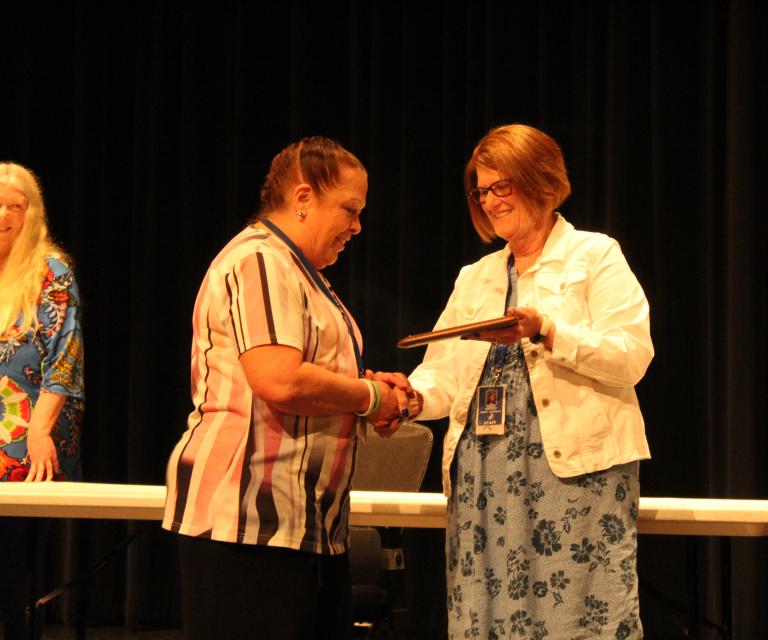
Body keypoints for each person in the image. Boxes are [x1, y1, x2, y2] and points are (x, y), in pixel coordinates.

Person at [403, 124, 654, 638]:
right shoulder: (476, 276)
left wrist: (547, 330)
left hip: (573, 476)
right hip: (484, 477)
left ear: (539, 179)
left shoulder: (594, 255)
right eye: (482, 189)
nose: (490, 201)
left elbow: (632, 356)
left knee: (578, 620)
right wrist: (408, 399)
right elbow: (443, 374)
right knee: (485, 618)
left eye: (502, 186)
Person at [162, 136, 409, 640]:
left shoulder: (302, 272)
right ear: (302, 199)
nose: (357, 226)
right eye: (349, 209)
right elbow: (278, 378)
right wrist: (370, 397)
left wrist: (363, 388)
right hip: (248, 526)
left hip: (302, 527)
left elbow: (305, 372)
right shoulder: (262, 260)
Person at [0, 163, 84, 639]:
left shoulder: (50, 271)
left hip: (27, 437)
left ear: (32, 214)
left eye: (17, 205)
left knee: (17, 569)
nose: (6, 214)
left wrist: (38, 431)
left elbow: (65, 355)